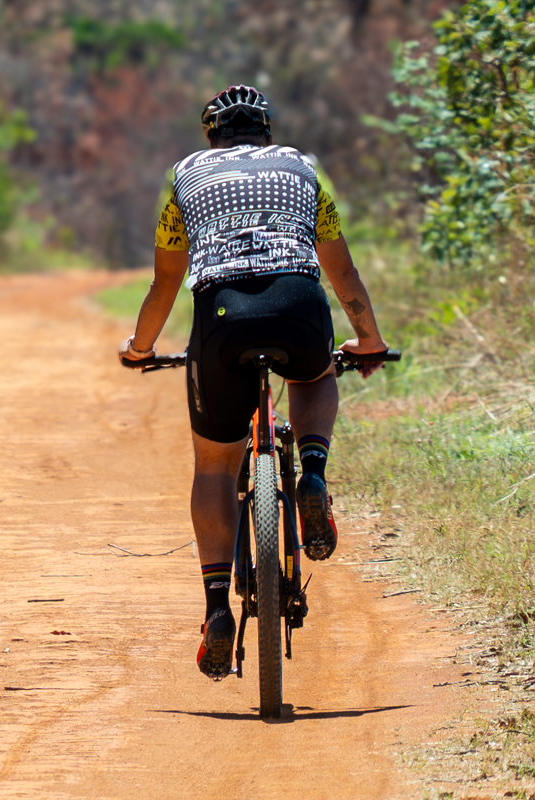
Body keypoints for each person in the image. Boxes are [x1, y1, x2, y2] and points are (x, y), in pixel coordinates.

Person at [118, 85, 389, 681]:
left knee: (214, 467)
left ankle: (217, 608)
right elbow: (340, 268)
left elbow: (165, 284)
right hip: (299, 303)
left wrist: (140, 349)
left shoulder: (182, 177)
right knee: (316, 375)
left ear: (211, 134)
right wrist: (368, 339)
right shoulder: (304, 168)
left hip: (221, 317)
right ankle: (312, 473)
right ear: (266, 131)